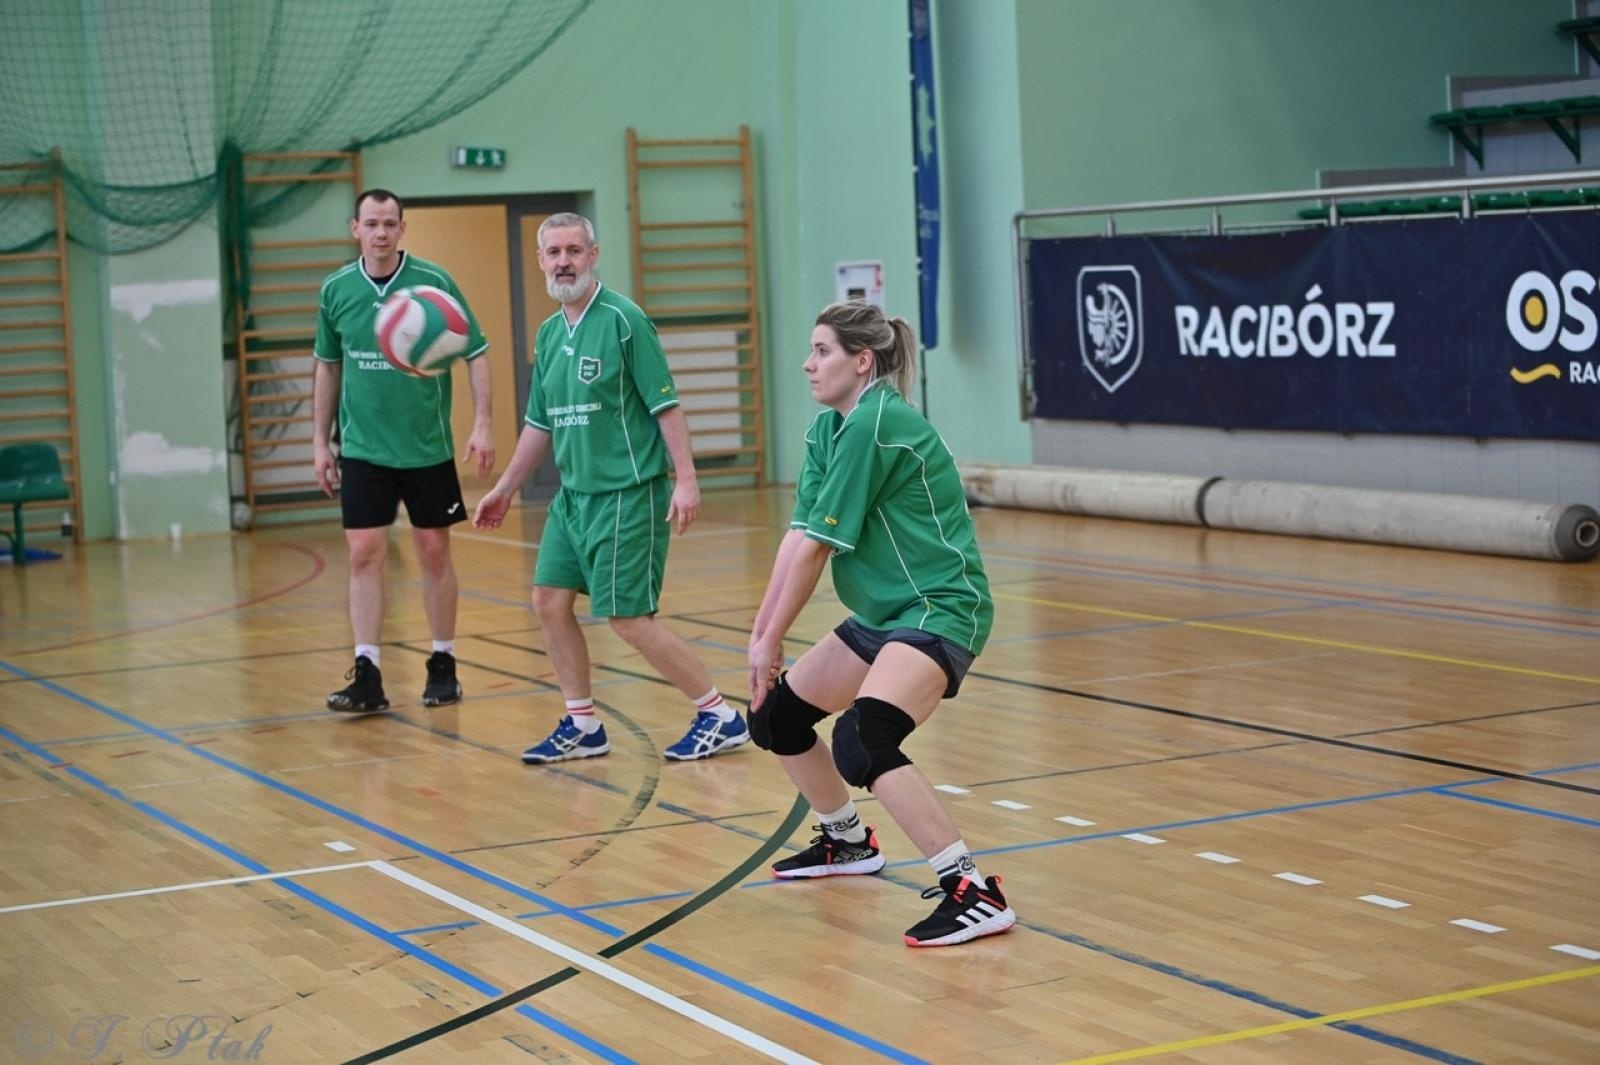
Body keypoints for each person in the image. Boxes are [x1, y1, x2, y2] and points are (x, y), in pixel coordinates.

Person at [745, 301, 1013, 948]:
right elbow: (797, 535)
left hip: (939, 607)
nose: (808, 364)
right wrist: (761, 637)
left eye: (823, 351)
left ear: (862, 360)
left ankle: (971, 891)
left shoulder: (877, 424)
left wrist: (773, 638)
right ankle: (846, 839)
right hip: (884, 613)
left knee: (864, 738)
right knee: (777, 717)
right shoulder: (828, 429)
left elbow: (816, 551)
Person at [472, 212, 749, 764]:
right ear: (541, 261)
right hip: (572, 498)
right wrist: (504, 488)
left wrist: (686, 480)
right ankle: (582, 725)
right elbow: (540, 423)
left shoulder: (625, 321)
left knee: (626, 618)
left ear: (593, 255)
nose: (563, 262)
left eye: (574, 250)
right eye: (553, 253)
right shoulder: (549, 335)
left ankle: (719, 714)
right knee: (548, 601)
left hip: (627, 493)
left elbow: (666, 405)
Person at [312, 188, 494, 714]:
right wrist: (319, 441)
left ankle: (443, 662)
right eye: (371, 224)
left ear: (402, 228)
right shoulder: (337, 290)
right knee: (363, 553)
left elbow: (477, 352)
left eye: (390, 223)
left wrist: (482, 424)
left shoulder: (434, 285)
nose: (381, 233)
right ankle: (367, 672)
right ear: (355, 229)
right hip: (364, 450)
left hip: (426, 447)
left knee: (434, 553)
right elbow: (328, 364)